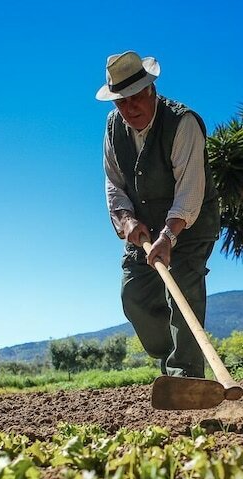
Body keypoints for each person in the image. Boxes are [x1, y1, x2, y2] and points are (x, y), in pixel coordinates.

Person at [97, 51, 220, 379]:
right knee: (134, 294)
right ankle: (173, 355)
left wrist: (169, 236)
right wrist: (126, 220)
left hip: (190, 224)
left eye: (136, 98)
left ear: (152, 90)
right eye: (121, 102)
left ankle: (186, 377)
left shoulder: (183, 123)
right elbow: (114, 183)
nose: (130, 108)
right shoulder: (113, 128)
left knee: (182, 284)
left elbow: (189, 192)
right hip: (144, 228)